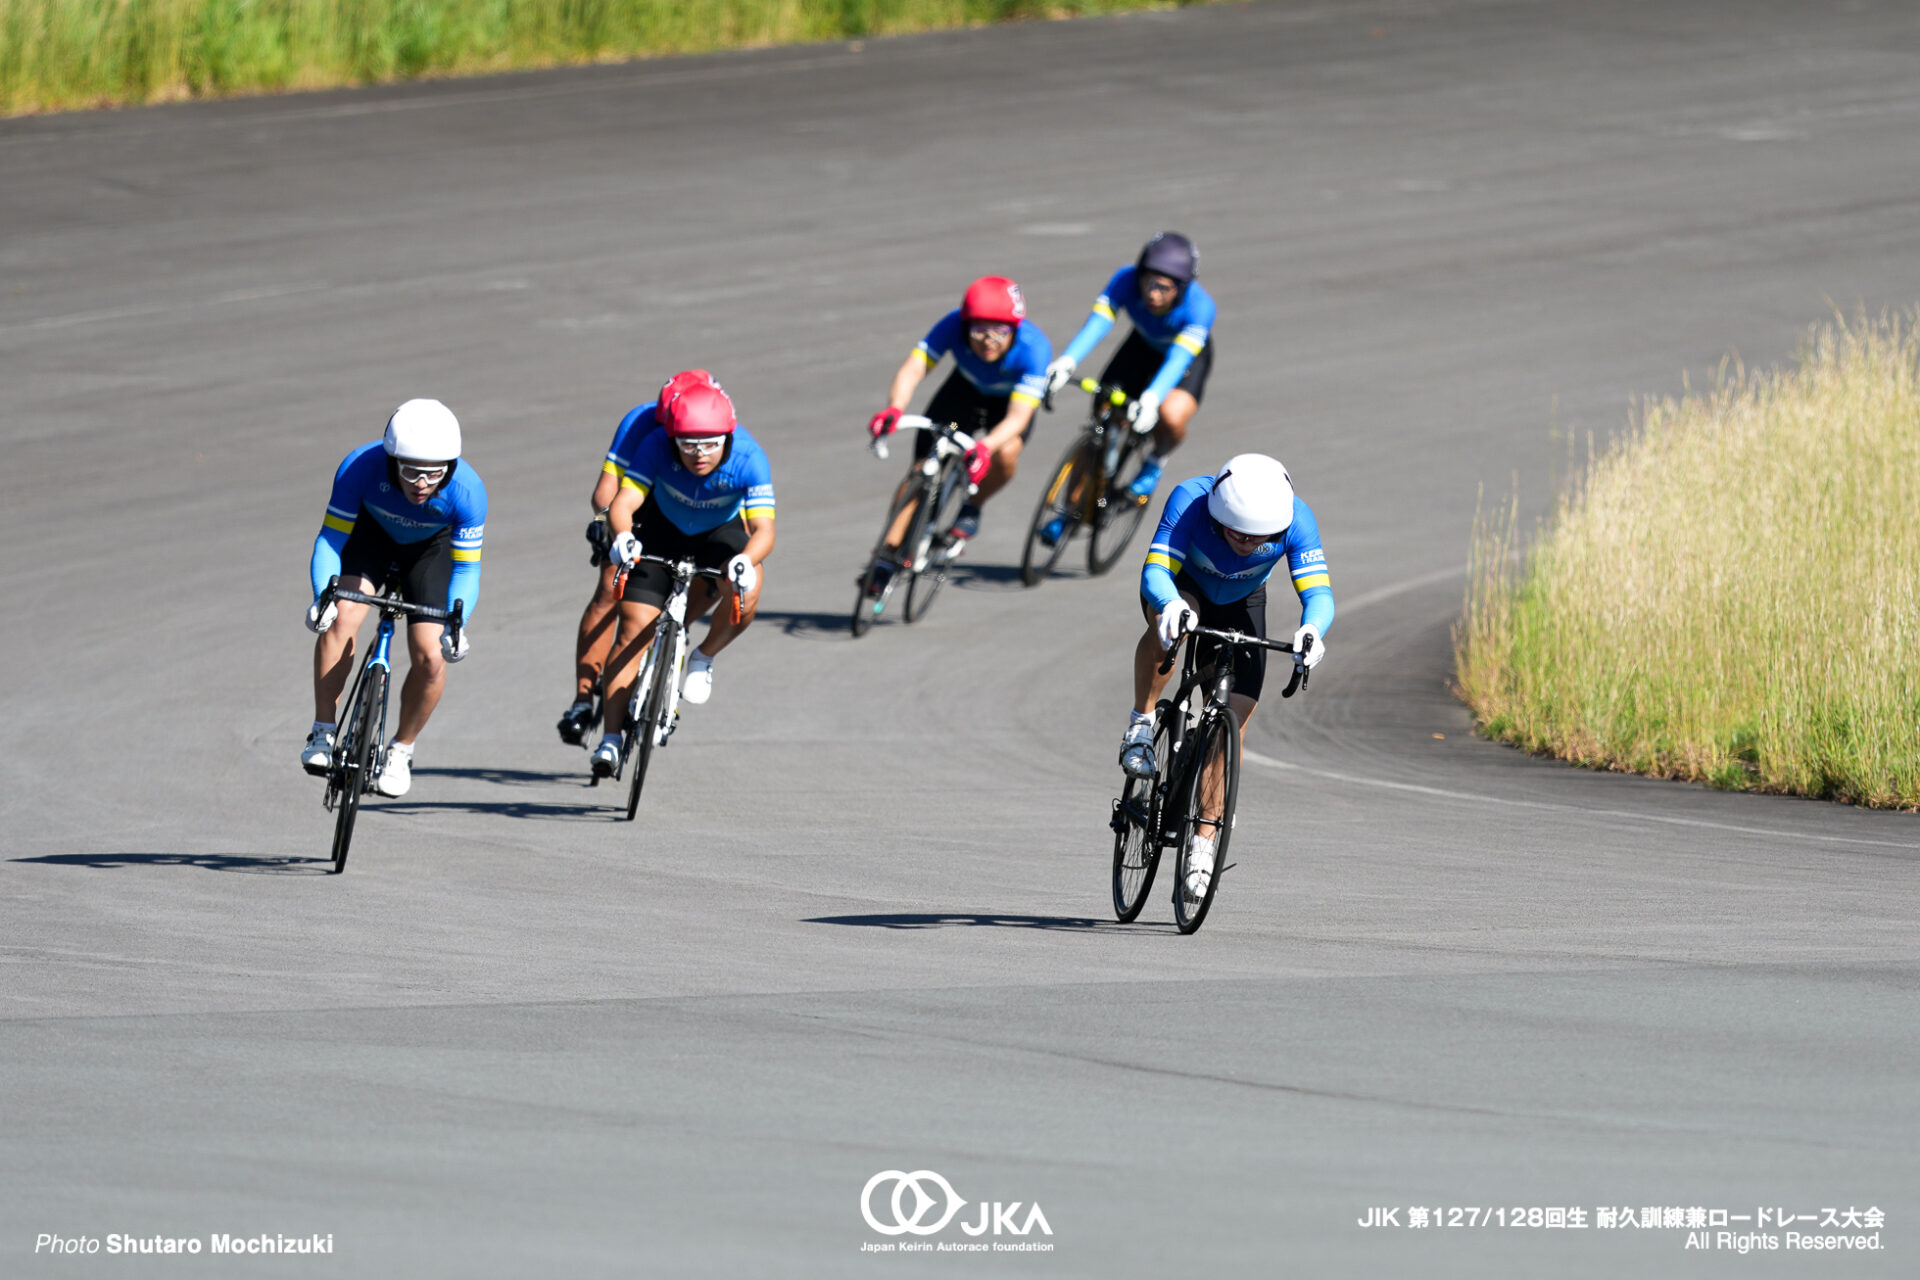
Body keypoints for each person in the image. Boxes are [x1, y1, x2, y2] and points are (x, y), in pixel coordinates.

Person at [1119, 453, 1332, 900]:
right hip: (1184, 590)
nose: (1248, 544)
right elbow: (1155, 570)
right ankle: (1140, 726)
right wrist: (1169, 604)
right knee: (1174, 628)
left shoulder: (1298, 519)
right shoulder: (1190, 500)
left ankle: (1203, 845)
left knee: (1233, 720)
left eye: (1261, 539)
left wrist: (1312, 630)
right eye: (1238, 534)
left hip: (1243, 600)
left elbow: (1319, 593)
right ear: (1218, 517)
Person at [301, 399, 486, 798]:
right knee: (343, 614)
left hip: (429, 552)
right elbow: (332, 538)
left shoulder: (468, 491)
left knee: (432, 657)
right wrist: (323, 596)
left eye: (434, 474)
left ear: (449, 468)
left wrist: (458, 624)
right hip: (372, 539)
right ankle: (322, 731)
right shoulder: (360, 467)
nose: (421, 483)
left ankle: (401, 750)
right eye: (411, 471)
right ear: (391, 461)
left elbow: (467, 569)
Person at [589, 378, 775, 776]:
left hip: (718, 534)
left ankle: (703, 657)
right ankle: (610, 739)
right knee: (632, 630)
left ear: (727, 436)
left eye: (710, 443)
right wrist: (623, 537)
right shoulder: (655, 446)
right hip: (662, 530)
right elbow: (625, 501)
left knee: (751, 584)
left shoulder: (749, 457)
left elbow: (764, 530)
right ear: (672, 438)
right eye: (688, 444)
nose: (699, 454)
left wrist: (744, 560)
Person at [558, 369, 719, 745]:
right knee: (610, 588)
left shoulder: (713, 430)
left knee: (708, 583)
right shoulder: (641, 421)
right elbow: (606, 490)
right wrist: (608, 524)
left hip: (692, 515)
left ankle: (674, 631)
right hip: (639, 510)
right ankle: (583, 699)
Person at [864, 276, 1052, 590]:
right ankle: (887, 553)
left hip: (1005, 408)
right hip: (962, 392)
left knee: (1006, 453)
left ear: (1015, 330)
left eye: (999, 332)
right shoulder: (952, 324)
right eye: (978, 330)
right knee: (921, 470)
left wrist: (985, 446)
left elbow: (1019, 417)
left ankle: (972, 507)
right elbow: (914, 368)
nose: (987, 341)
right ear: (966, 325)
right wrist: (894, 408)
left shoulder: (1034, 349)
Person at [1044, 232, 1215, 522]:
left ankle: (1155, 460)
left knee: (1170, 415)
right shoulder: (1125, 279)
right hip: (1141, 347)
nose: (1151, 293)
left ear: (1182, 289)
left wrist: (1151, 398)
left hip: (1185, 358)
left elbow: (1178, 359)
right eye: (1147, 281)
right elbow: (1098, 324)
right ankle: (1069, 512)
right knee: (1102, 421)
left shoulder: (1200, 308)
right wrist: (1066, 362)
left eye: (1163, 287)